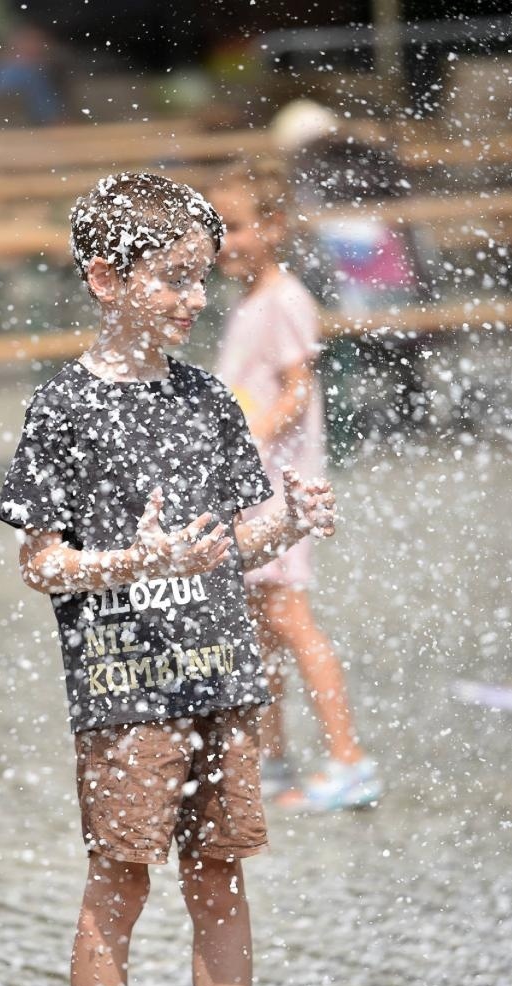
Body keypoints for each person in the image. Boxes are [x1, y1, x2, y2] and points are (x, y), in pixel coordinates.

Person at [0, 171, 336, 986]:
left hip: (223, 677)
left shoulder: (205, 399)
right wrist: (131, 565)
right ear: (106, 277)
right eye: (174, 279)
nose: (195, 299)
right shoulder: (64, 405)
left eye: (203, 278)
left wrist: (291, 518)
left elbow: (231, 541)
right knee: (123, 883)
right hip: (123, 687)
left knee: (220, 880)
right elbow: (41, 562)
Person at [209, 170, 381, 811]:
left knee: (290, 621)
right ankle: (273, 758)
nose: (225, 242)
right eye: (217, 228)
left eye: (236, 226)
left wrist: (242, 440)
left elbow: (297, 392)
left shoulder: (282, 300)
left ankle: (348, 760)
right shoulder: (252, 300)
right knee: (259, 630)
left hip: (278, 496)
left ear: (275, 228)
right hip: (255, 495)